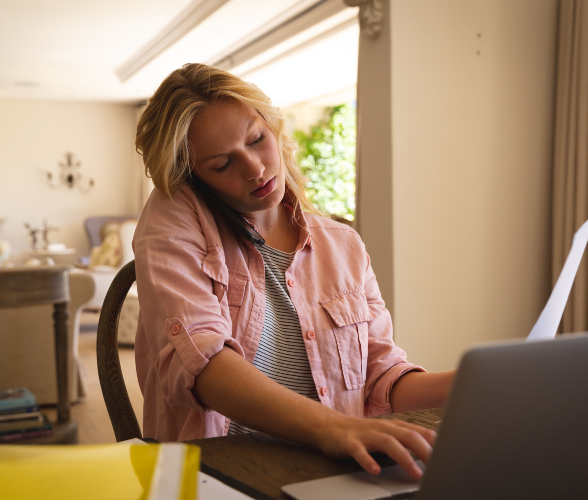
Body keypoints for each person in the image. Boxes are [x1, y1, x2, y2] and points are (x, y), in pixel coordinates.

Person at [132, 63, 455, 479]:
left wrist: (471, 385)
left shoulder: (343, 244)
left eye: (256, 140)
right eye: (221, 164)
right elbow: (202, 360)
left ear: (274, 127)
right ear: (193, 179)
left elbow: (381, 376)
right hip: (218, 474)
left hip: (333, 469)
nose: (254, 168)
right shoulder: (173, 217)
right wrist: (334, 428)